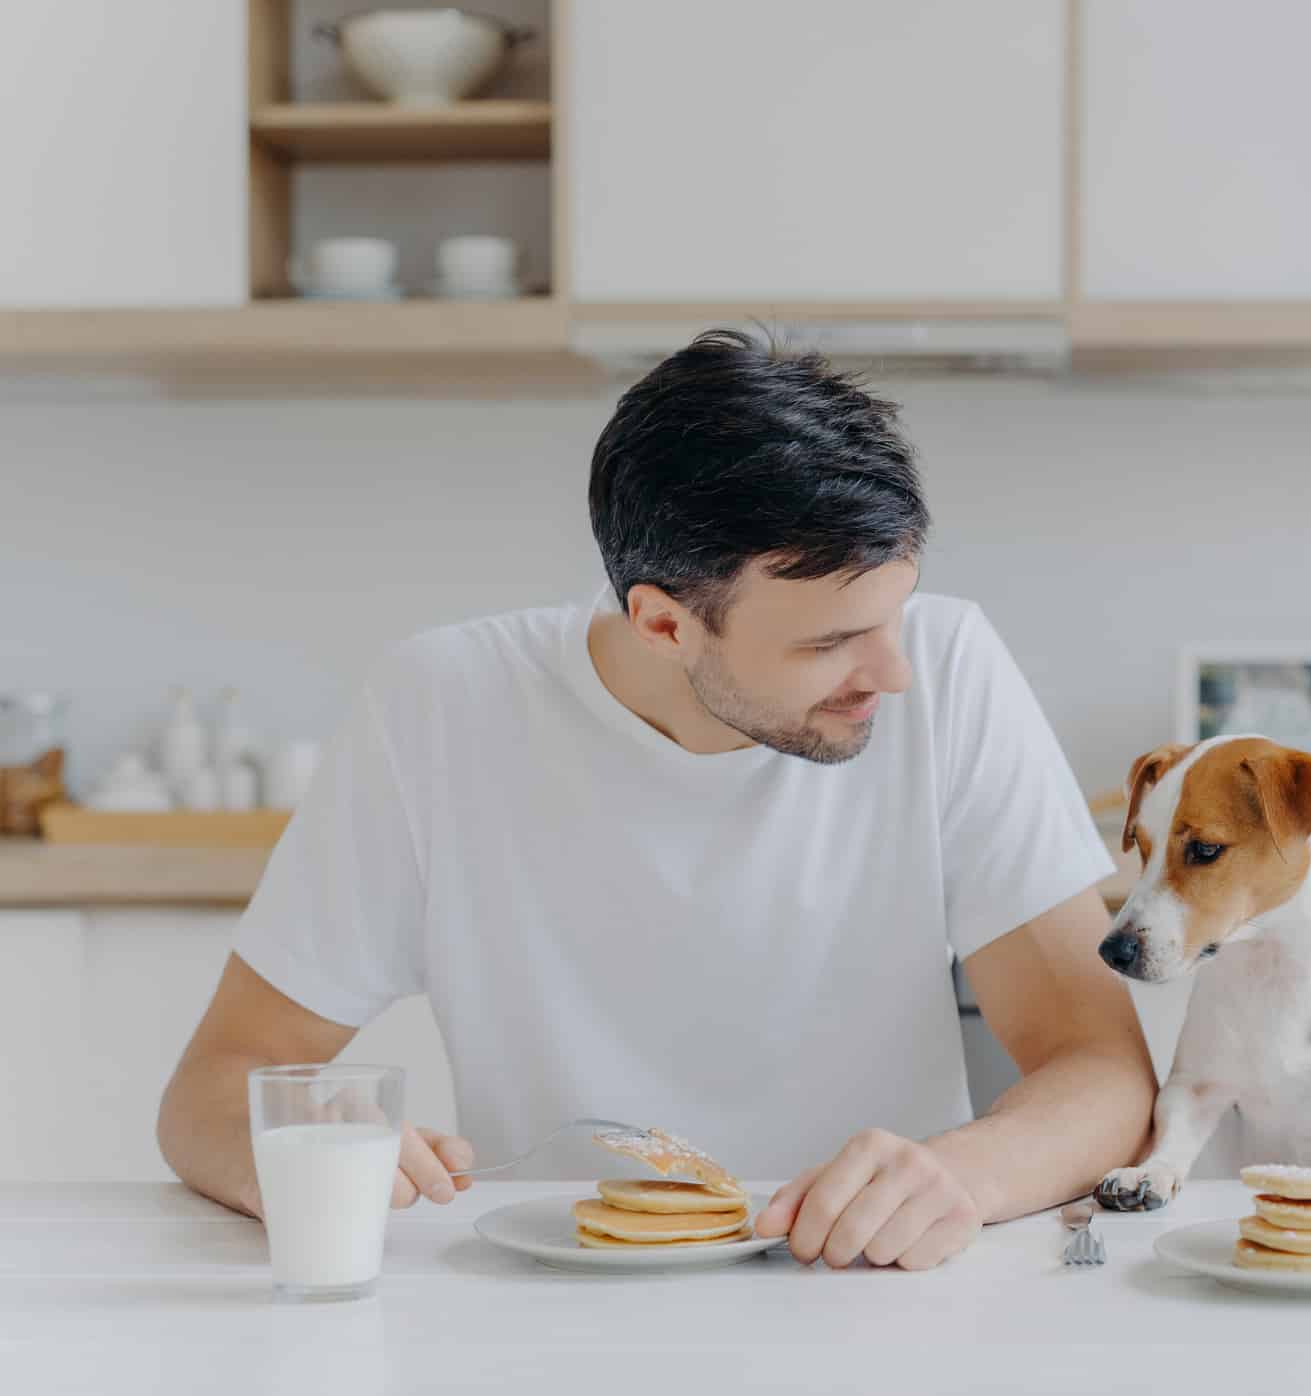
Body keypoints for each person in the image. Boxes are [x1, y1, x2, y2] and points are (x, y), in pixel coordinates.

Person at [158, 330, 1155, 1271]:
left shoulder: (951, 668)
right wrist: (296, 1151)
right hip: (554, 1291)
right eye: (828, 642)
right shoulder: (441, 706)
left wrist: (965, 1176)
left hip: (869, 1285)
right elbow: (213, 1086)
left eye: (892, 614)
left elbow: (1100, 1069)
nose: (891, 672)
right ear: (663, 623)